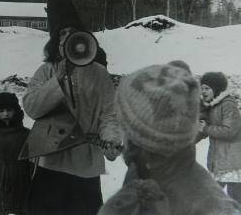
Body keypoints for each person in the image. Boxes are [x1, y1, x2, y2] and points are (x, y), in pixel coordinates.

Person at [19, 0, 122, 215]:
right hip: (50, 163)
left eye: (72, 32)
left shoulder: (99, 73)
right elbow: (32, 107)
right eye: (62, 34)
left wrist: (112, 140)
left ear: (84, 39)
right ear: (56, 41)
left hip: (86, 166)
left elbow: (109, 113)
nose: (68, 38)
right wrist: (59, 78)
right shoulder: (46, 71)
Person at [99, 62, 240, 215]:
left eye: (124, 125)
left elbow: (228, 130)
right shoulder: (141, 172)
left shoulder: (126, 204)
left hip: (229, 160)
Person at [198, 72, 241, 204]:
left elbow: (230, 131)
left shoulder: (228, 104)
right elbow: (204, 129)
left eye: (207, 88)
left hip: (234, 163)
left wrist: (205, 128)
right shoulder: (213, 105)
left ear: (216, 89)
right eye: (202, 88)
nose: (203, 91)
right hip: (219, 162)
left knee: (236, 201)